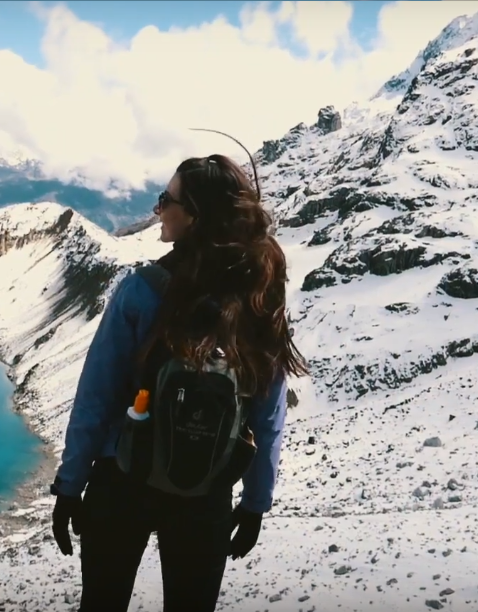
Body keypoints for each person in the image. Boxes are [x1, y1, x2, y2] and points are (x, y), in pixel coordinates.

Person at [48, 148, 309, 612]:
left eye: (166, 200)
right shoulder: (258, 299)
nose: (157, 209)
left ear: (195, 217)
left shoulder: (142, 290)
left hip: (122, 476)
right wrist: (255, 502)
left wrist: (70, 486)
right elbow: (266, 414)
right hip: (206, 487)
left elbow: (97, 396)